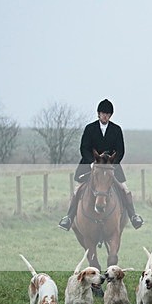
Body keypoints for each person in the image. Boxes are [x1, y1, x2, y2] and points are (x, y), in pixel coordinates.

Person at [58, 99, 143, 231]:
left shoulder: (116, 130)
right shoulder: (90, 128)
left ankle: (133, 217)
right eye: (103, 113)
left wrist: (112, 165)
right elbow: (84, 148)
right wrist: (92, 163)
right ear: (98, 114)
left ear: (110, 115)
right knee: (77, 190)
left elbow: (120, 151)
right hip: (89, 166)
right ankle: (68, 218)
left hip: (111, 167)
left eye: (108, 114)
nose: (105, 116)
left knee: (125, 190)